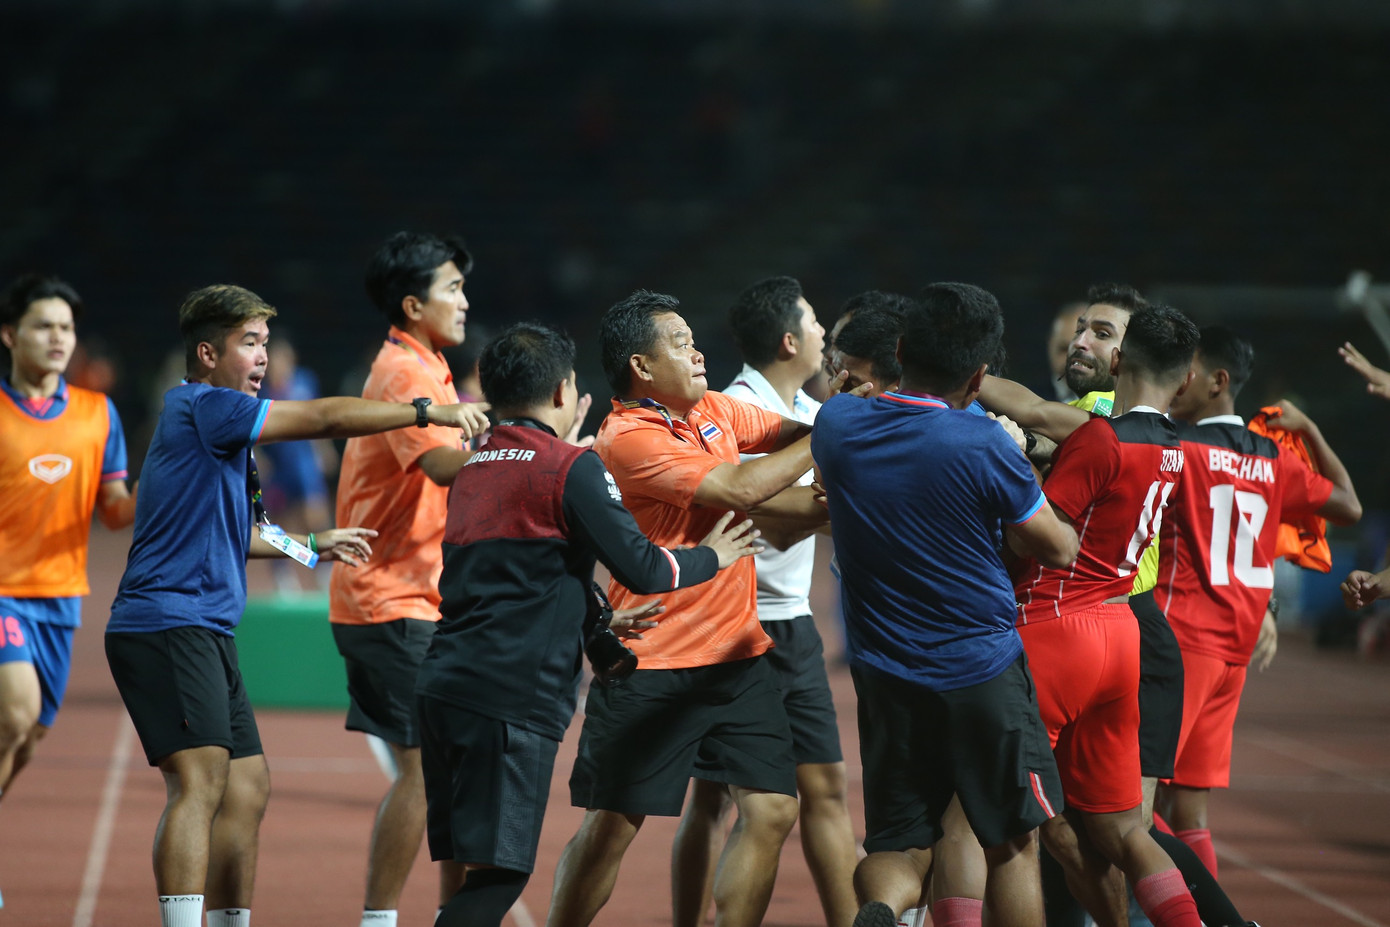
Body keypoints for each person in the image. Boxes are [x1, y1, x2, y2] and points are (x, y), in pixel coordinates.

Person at [103, 283, 490, 927]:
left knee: (247, 788)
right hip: (165, 622)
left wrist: (311, 545)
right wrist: (423, 411)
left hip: (203, 626)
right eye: (248, 344)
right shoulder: (206, 408)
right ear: (206, 353)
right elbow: (322, 419)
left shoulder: (215, 424)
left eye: (263, 343)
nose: (261, 357)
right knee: (199, 784)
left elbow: (242, 528)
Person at [416, 321, 762, 927]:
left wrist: (598, 620)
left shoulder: (473, 466)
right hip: (508, 697)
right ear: (560, 393)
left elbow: (518, 575)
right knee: (498, 879)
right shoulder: (569, 465)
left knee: (475, 871)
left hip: (445, 684)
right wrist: (715, 554)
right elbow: (648, 567)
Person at [547, 289, 834, 927]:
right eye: (679, 343)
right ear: (641, 368)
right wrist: (838, 432)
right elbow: (743, 485)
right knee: (612, 828)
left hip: (738, 655)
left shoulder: (712, 408)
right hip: (653, 662)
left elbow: (791, 432)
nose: (697, 351)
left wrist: (846, 417)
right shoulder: (627, 438)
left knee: (772, 809)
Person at [814, 282, 1077, 927]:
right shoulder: (983, 445)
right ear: (980, 374)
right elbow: (1058, 548)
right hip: (981, 671)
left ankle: (880, 909)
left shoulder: (838, 425)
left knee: (898, 844)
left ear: (900, 349)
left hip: (885, 674)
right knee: (1013, 842)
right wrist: (1022, 459)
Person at [329, 232, 522, 927]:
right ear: (413, 304)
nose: (466, 301)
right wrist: (538, 455)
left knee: (456, 768)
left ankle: (455, 915)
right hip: (387, 598)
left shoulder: (429, 365)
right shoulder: (407, 376)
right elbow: (445, 470)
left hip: (422, 597)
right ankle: (378, 919)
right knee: (424, 771)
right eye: (453, 289)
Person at [671, 277, 858, 927]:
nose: (824, 335)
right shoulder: (731, 407)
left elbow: (806, 513)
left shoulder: (806, 411)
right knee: (712, 801)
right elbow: (752, 507)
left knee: (826, 790)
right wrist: (835, 503)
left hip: (794, 628)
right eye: (813, 321)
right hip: (735, 627)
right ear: (787, 340)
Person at [1011, 302, 1205, 927]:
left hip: (1055, 628)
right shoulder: (1176, 446)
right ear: (1182, 381)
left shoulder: (1100, 437)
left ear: (1119, 360)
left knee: (1011, 814)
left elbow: (1035, 537)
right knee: (1126, 829)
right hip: (1122, 635)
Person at [1157, 326, 1361, 881]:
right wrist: (1311, 431)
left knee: (1130, 805)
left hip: (1180, 642)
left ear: (1219, 381)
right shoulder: (1272, 458)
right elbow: (1348, 504)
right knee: (1190, 812)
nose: (1177, 379)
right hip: (1236, 651)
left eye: (1188, 370)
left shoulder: (1180, 449)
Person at [0, 273, 137, 802]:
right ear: (10, 335)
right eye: (43, 327)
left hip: (60, 597)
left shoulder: (98, 414)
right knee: (15, 715)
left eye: (67, 328)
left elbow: (116, 511)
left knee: (28, 740)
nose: (59, 338)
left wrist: (160, 485)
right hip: (4, 593)